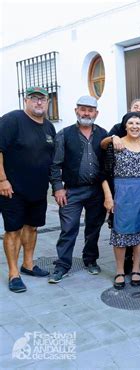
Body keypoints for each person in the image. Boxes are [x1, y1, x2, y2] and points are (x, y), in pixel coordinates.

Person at [0, 86, 56, 293]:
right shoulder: (12, 120)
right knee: (13, 230)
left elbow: (51, 159)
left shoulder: (49, 127)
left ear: (48, 102)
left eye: (43, 99)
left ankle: (28, 264)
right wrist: (2, 180)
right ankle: (14, 273)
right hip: (12, 190)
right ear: (26, 100)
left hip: (38, 189)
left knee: (32, 227)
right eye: (34, 98)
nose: (39, 102)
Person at [48, 96, 107, 283]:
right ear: (76, 111)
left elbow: (107, 164)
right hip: (71, 191)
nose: (86, 113)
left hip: (96, 191)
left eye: (90, 110)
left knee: (93, 229)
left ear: (96, 113)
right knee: (68, 229)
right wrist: (58, 188)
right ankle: (62, 265)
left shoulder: (103, 134)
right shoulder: (64, 134)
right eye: (83, 109)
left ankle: (90, 260)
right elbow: (55, 164)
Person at [100, 98, 140, 275]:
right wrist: (108, 196)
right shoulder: (116, 144)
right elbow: (103, 173)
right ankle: (120, 271)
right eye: (131, 123)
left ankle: (136, 269)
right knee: (120, 232)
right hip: (121, 194)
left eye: (138, 123)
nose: (134, 126)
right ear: (125, 126)